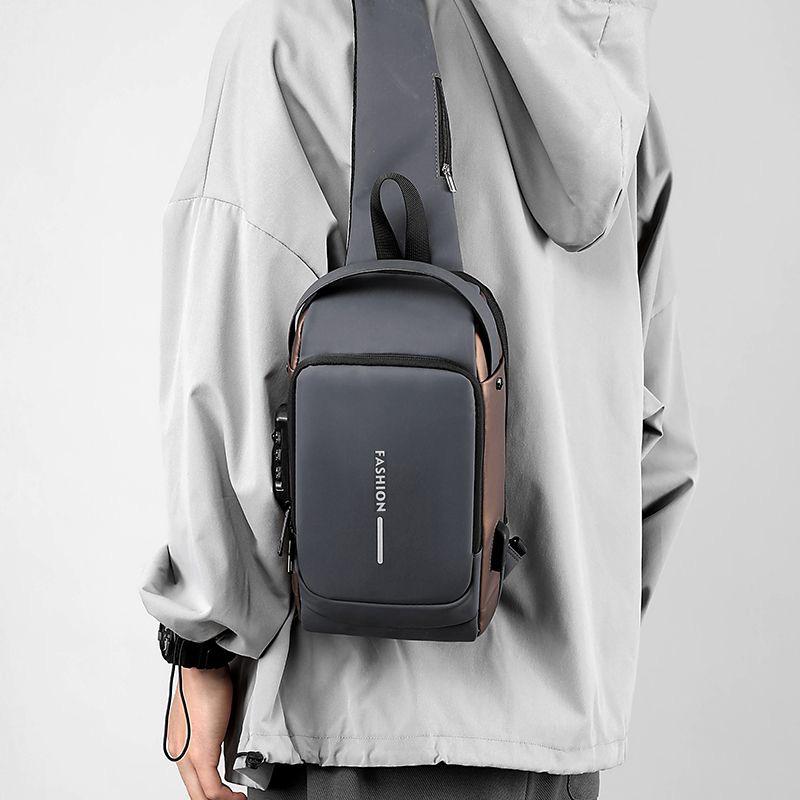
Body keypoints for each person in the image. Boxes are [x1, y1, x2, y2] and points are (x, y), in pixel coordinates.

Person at [141, 1, 698, 798]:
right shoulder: (604, 63)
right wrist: (570, 646)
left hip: (356, 726)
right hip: (561, 746)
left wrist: (205, 640)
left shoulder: (303, 27)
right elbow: (658, 434)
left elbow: (229, 353)